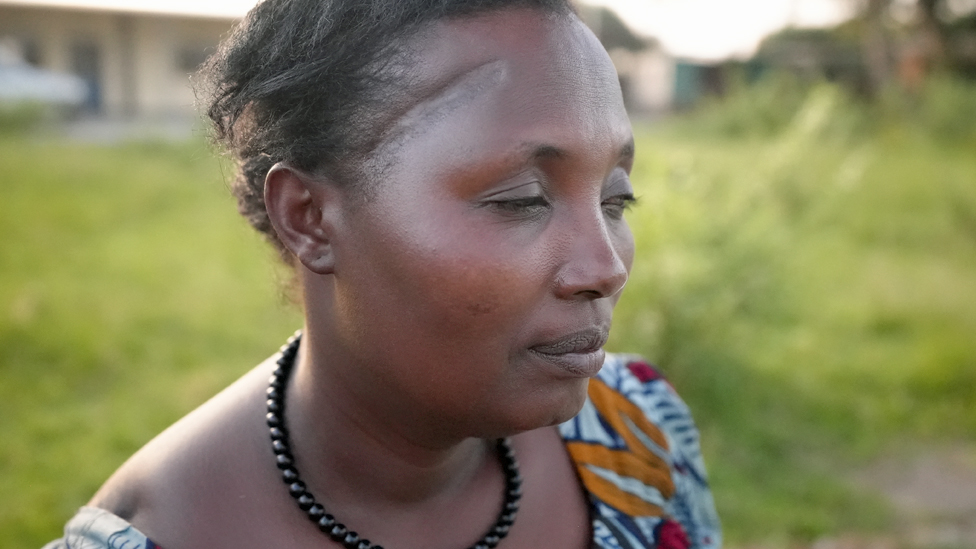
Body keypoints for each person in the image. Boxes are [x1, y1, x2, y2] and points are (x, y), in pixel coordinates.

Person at [44, 0, 721, 548]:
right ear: (308, 217)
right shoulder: (160, 532)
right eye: (521, 199)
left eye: (615, 197)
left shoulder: (639, 430)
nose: (605, 266)